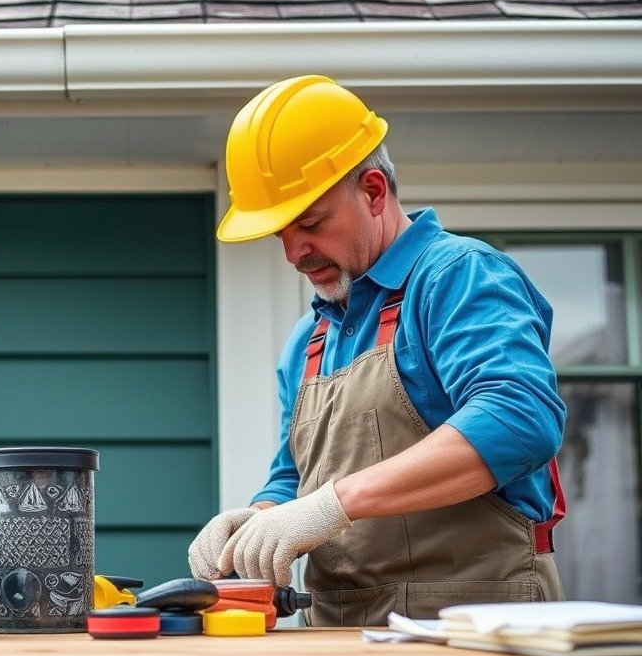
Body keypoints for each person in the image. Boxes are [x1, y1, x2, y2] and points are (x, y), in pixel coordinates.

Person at [188, 74, 566, 626]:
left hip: (476, 636)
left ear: (372, 190)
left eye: (310, 223)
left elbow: (519, 418)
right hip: (340, 642)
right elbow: (295, 478)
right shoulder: (307, 343)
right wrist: (259, 518)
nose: (295, 252)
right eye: (279, 234)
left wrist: (335, 503)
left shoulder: (456, 277)